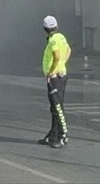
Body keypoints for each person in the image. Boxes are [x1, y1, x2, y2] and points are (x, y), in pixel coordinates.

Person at [37, 15, 71, 148]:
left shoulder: (52, 41)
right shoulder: (61, 37)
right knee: (55, 107)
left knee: (57, 107)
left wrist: (51, 71)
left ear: (45, 28)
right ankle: (52, 135)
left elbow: (56, 55)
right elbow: (68, 50)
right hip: (61, 74)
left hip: (55, 78)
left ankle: (63, 136)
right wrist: (63, 63)